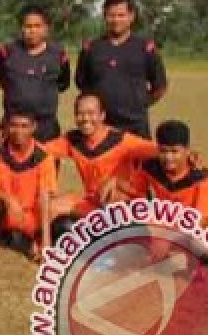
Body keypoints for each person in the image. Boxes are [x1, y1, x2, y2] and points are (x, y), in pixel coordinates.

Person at [43, 93, 158, 235]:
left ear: (102, 115)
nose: (85, 119)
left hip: (124, 206)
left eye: (91, 113)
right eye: (80, 114)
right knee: (50, 207)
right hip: (93, 202)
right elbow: (40, 150)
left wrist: (188, 155)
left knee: (114, 201)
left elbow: (160, 151)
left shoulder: (122, 140)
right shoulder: (72, 140)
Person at [75, 0, 168, 138]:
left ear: (131, 16)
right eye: (111, 15)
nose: (116, 20)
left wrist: (140, 103)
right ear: (105, 16)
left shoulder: (145, 48)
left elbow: (160, 85)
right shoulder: (91, 48)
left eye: (121, 15)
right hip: (102, 128)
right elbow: (82, 83)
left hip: (136, 126)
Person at [0, 107, 58, 261]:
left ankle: (34, 242)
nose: (18, 130)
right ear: (6, 126)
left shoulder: (43, 156)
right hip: (6, 211)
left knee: (62, 222)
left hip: (29, 215)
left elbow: (45, 196)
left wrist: (46, 241)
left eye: (24, 126)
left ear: (33, 127)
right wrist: (8, 199)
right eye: (14, 125)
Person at [0, 4, 70, 142]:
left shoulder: (58, 54)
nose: (32, 30)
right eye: (28, 26)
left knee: (47, 163)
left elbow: (63, 84)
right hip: (14, 125)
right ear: (21, 28)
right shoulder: (7, 52)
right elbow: (4, 81)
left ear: (46, 28)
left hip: (46, 128)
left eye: (37, 26)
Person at [126, 120, 208, 227]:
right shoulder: (150, 168)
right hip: (165, 227)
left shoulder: (203, 178)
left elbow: (202, 220)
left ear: (187, 150)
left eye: (174, 152)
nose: (168, 158)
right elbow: (134, 195)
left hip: (195, 235)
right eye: (163, 151)